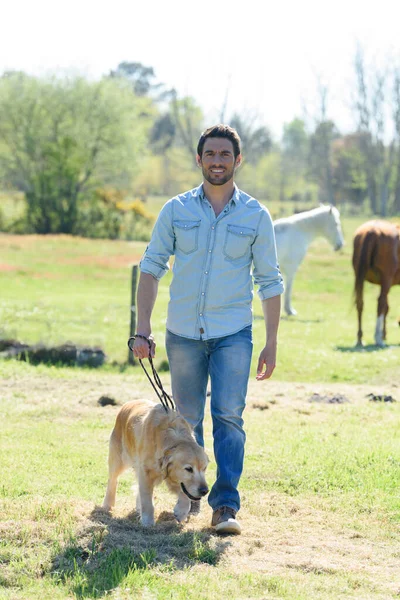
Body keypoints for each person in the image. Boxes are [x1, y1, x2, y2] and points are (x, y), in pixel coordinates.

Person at [131, 124, 284, 535]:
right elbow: (151, 267)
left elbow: (270, 281)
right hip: (183, 334)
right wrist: (142, 329)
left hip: (234, 332)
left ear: (237, 160)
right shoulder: (176, 210)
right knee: (186, 419)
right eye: (210, 154)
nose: (218, 161)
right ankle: (187, 495)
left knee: (229, 417)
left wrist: (271, 342)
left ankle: (225, 507)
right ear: (199, 160)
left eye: (225, 154)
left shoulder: (256, 215)